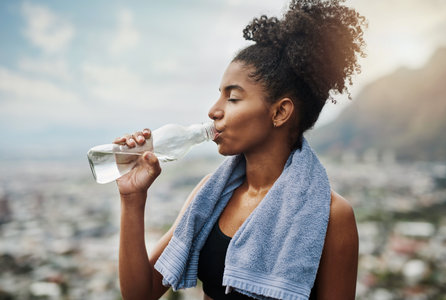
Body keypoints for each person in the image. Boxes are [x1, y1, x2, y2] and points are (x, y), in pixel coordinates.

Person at [114, 0, 366, 299]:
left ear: (280, 112)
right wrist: (132, 198)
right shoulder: (212, 194)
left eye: (232, 98)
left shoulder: (331, 215)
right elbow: (140, 294)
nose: (213, 111)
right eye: (218, 96)